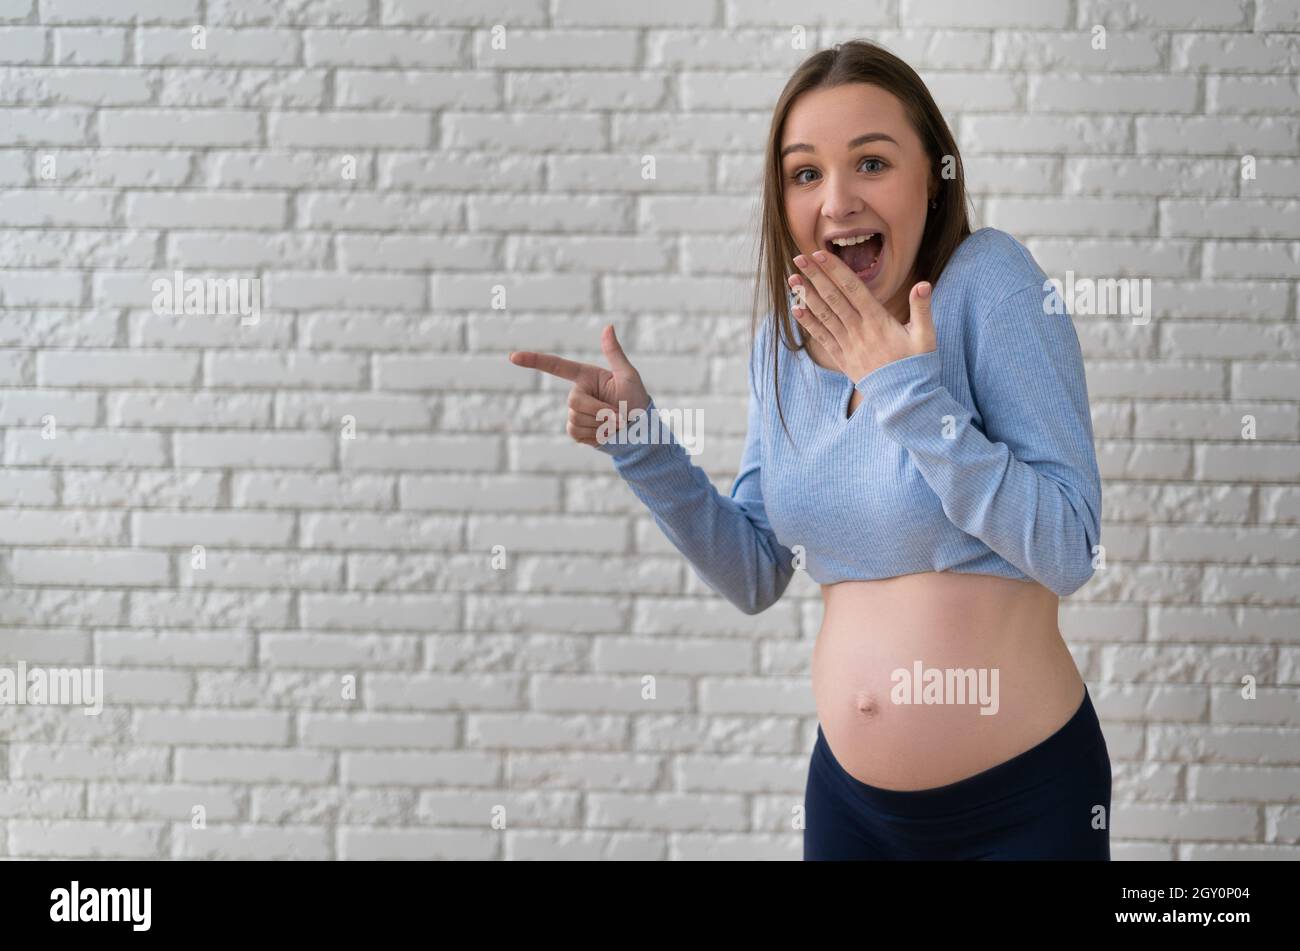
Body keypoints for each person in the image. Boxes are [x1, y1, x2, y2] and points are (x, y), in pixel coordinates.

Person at [508, 39, 1111, 861]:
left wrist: (901, 388)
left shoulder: (990, 284)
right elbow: (758, 570)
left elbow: (1070, 547)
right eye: (805, 173)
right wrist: (642, 445)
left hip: (1021, 804)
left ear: (934, 176)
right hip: (851, 810)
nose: (837, 200)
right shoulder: (781, 347)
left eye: (871, 162)